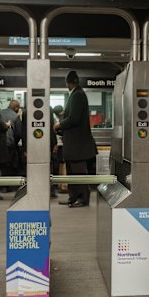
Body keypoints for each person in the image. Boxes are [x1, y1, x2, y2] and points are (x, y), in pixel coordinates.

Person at [53, 71, 96, 208]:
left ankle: (83, 198)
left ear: (69, 83)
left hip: (78, 144)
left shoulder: (78, 95)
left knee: (79, 172)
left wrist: (60, 124)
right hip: (73, 144)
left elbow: (74, 118)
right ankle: (73, 197)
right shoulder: (76, 94)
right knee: (72, 171)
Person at [0, 100, 21, 189]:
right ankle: (7, 186)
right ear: (16, 107)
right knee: (9, 165)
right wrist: (15, 143)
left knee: (0, 165)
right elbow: (18, 133)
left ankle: (0, 186)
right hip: (9, 144)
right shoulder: (16, 116)